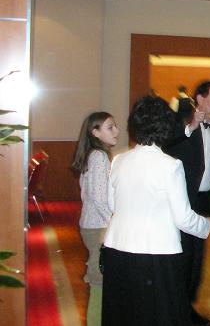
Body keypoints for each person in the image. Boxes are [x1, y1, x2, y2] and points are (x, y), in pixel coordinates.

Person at [101, 96, 210, 326]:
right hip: (157, 255)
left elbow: (112, 205)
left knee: (125, 316)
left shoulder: (118, 161)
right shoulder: (170, 165)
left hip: (118, 250)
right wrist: (207, 225)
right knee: (160, 316)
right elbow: (183, 218)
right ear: (166, 126)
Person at [164, 80, 210, 326]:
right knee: (184, 257)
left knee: (198, 259)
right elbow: (168, 143)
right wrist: (191, 126)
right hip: (184, 198)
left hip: (204, 200)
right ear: (199, 98)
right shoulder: (181, 121)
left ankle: (188, 307)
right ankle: (177, 310)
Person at [71, 112, 119, 326]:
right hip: (99, 227)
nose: (116, 131)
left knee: (101, 284)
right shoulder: (99, 157)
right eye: (110, 127)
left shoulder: (95, 154)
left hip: (94, 225)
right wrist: (115, 223)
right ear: (95, 132)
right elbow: (100, 199)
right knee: (98, 285)